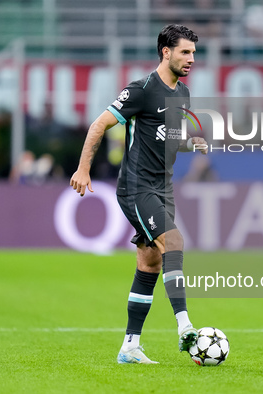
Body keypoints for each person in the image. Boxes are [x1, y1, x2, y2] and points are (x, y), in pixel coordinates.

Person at [70, 24, 208, 364]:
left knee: (150, 260)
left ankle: (130, 346)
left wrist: (192, 143)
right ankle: (185, 327)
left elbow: (171, 139)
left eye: (193, 52)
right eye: (185, 52)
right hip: (136, 187)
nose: (191, 58)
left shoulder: (182, 94)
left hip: (164, 187)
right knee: (174, 242)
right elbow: (99, 125)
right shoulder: (142, 90)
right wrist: (83, 169)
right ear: (166, 52)